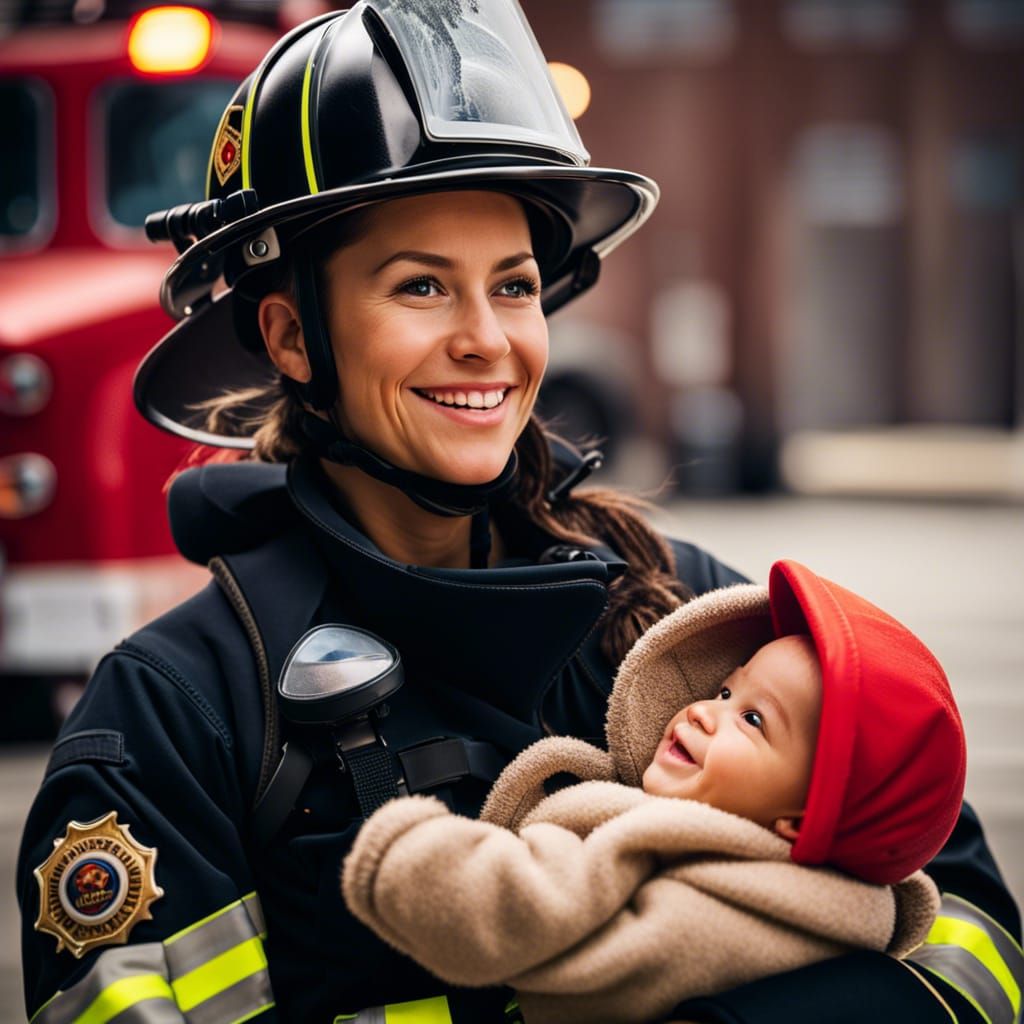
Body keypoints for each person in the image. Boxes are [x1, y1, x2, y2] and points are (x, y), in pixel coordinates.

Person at [16, 2, 1021, 1023]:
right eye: (419, 287)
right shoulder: (175, 717)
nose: (486, 340)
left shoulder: (693, 615)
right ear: (288, 335)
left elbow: (970, 942)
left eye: (514, 285)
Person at [342, 560, 959, 1023]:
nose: (702, 712)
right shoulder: (841, 907)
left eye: (753, 720)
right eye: (724, 690)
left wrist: (404, 852)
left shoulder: (668, 861)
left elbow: (520, 914)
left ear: (802, 820)